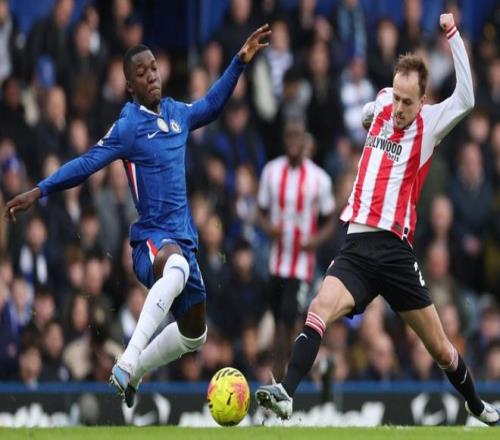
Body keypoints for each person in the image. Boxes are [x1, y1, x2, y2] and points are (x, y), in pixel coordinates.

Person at [4, 24, 271, 407]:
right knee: (176, 268)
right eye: (141, 73)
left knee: (195, 335)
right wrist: (40, 189)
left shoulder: (177, 114)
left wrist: (239, 62)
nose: (151, 76)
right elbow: (87, 163)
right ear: (130, 86)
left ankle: (137, 371)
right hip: (151, 241)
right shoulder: (128, 126)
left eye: (154, 68)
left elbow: (211, 106)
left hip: (184, 242)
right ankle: (128, 360)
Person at [255, 14, 500, 427]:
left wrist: (454, 35)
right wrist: (370, 113)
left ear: (422, 100)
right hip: (356, 245)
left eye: (408, 102)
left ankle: (476, 406)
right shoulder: (385, 100)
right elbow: (374, 108)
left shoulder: (430, 123)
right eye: (397, 98)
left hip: (395, 252)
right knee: (318, 308)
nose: (399, 109)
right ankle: (286, 393)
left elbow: (467, 98)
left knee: (440, 348)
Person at [257, 118, 336, 380]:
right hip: (276, 263)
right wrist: (269, 229)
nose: (293, 141)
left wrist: (315, 240)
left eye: (297, 136)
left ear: (305, 141)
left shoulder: (319, 179)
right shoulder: (271, 172)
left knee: (287, 321)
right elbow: (259, 211)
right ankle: (308, 370)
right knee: (279, 320)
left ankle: (281, 379)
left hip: (301, 266)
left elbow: (330, 219)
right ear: (284, 140)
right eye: (289, 135)